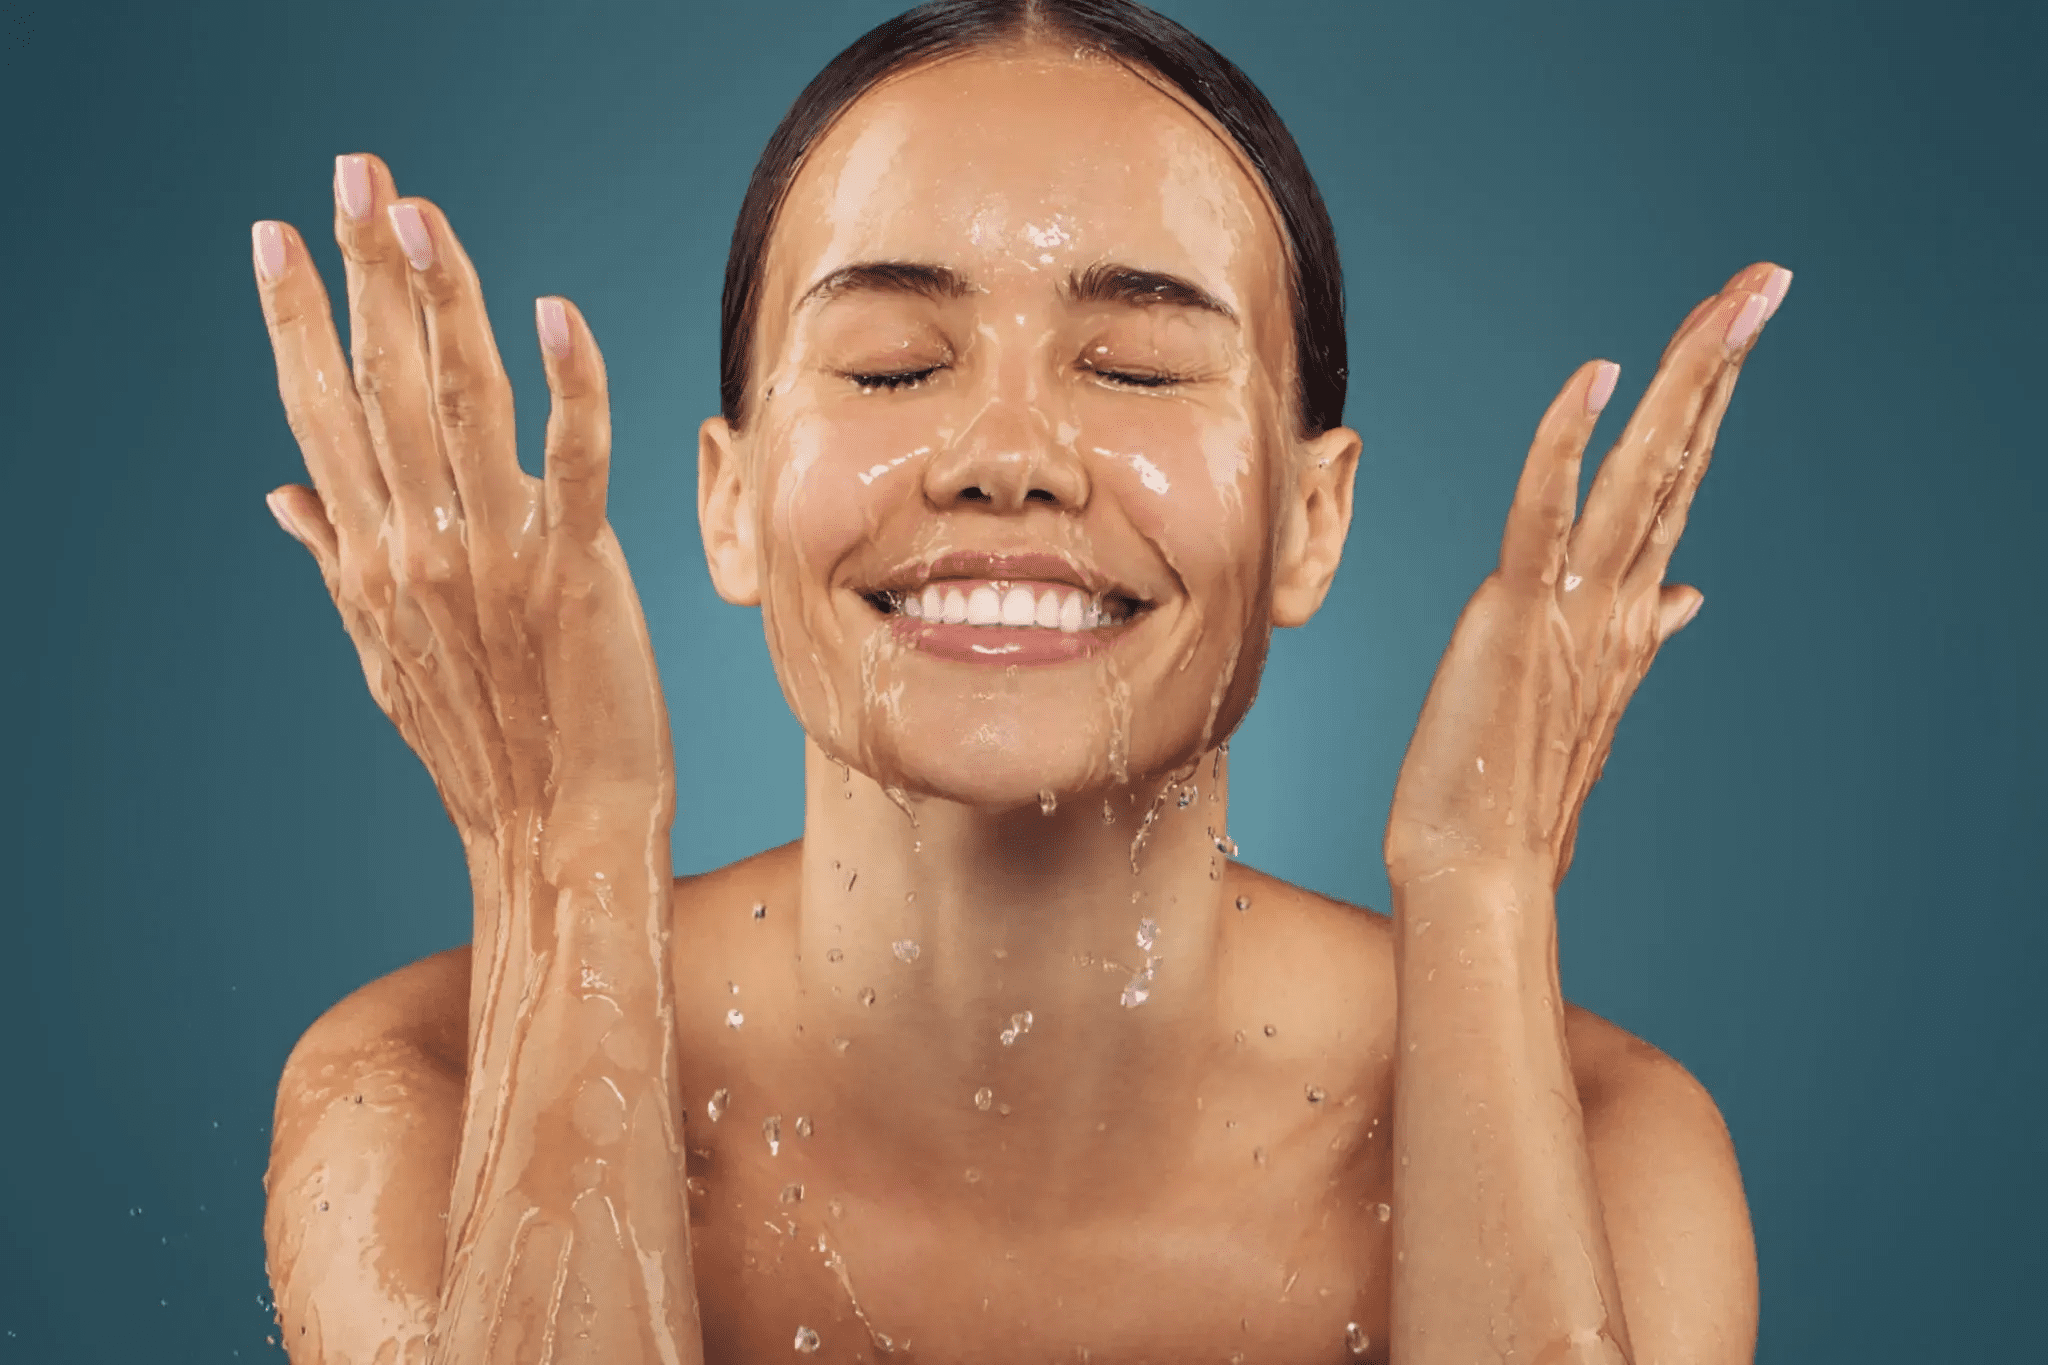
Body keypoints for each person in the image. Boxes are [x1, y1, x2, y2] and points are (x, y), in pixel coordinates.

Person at [250, 1, 1784, 1360]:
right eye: (894, 366)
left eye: (1132, 368)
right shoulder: (427, 1094)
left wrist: (1482, 893)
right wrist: (557, 859)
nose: (1005, 458)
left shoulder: (1595, 1141)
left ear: (1310, 519)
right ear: (729, 499)